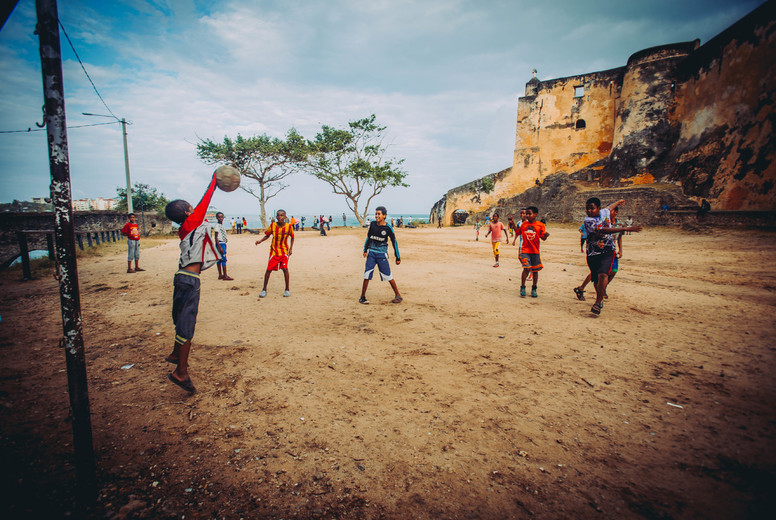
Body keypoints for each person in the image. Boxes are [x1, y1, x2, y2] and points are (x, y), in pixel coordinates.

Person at [163, 173, 223, 393]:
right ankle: (181, 372)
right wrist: (215, 179)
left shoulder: (185, 228)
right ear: (189, 212)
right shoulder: (192, 221)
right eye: (191, 208)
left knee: (179, 319)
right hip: (189, 280)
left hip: (181, 277)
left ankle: (175, 353)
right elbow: (205, 198)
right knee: (187, 327)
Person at [583, 198, 642, 315]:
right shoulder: (588, 220)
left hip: (608, 250)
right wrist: (625, 228)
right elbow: (603, 230)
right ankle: (598, 297)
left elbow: (610, 207)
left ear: (599, 209)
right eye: (587, 209)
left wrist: (618, 202)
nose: (589, 211)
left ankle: (598, 303)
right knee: (595, 279)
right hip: (593, 252)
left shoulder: (605, 212)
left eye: (592, 208)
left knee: (603, 274)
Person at [574, 205, 623, 301]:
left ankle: (599, 288)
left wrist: (620, 249)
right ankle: (593, 290)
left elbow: (620, 237)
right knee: (597, 273)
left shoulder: (619, 225)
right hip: (599, 251)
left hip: (610, 251)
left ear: (616, 212)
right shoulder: (602, 222)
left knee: (613, 271)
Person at [360, 206, 402, 304]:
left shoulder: (388, 228)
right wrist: (365, 249)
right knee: (367, 274)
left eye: (379, 214)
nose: (376, 216)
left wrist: (398, 257)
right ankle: (362, 297)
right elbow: (368, 237)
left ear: (384, 216)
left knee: (388, 276)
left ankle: (398, 295)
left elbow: (394, 242)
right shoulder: (372, 224)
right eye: (376, 214)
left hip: (382, 255)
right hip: (371, 254)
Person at [255, 209, 294, 298]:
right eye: (278, 215)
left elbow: (292, 237)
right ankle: (264, 289)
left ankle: (287, 289)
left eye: (281, 215)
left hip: (284, 251)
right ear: (276, 217)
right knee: (268, 270)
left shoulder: (289, 227)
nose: (279, 217)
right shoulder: (273, 226)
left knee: (285, 269)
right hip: (274, 251)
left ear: (285, 217)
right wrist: (260, 241)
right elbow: (267, 235)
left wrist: (291, 249)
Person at [517, 206, 549, 297]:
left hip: (535, 251)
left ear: (535, 214)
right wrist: (512, 223)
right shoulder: (524, 224)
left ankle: (534, 288)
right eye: (526, 214)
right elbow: (517, 232)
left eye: (529, 214)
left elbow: (543, 238)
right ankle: (522, 286)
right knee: (526, 268)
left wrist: (545, 236)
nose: (527, 215)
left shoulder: (540, 225)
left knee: (535, 271)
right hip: (525, 250)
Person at [212, 212, 233, 281]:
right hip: (220, 244)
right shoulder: (217, 226)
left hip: (222, 243)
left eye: (221, 217)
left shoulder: (221, 226)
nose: (220, 218)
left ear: (223, 217)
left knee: (219, 259)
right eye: (219, 217)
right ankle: (225, 275)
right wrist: (220, 247)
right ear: (217, 218)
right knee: (223, 259)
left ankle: (220, 275)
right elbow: (216, 237)